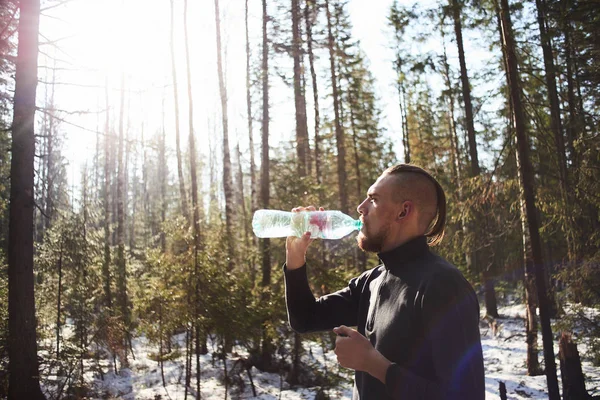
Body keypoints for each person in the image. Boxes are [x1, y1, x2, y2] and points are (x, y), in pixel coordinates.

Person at [283, 164, 485, 399]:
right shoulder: (372, 281)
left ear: (403, 211)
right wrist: (295, 257)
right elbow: (304, 318)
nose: (361, 207)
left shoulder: (443, 285)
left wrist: (375, 365)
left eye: (373, 199)